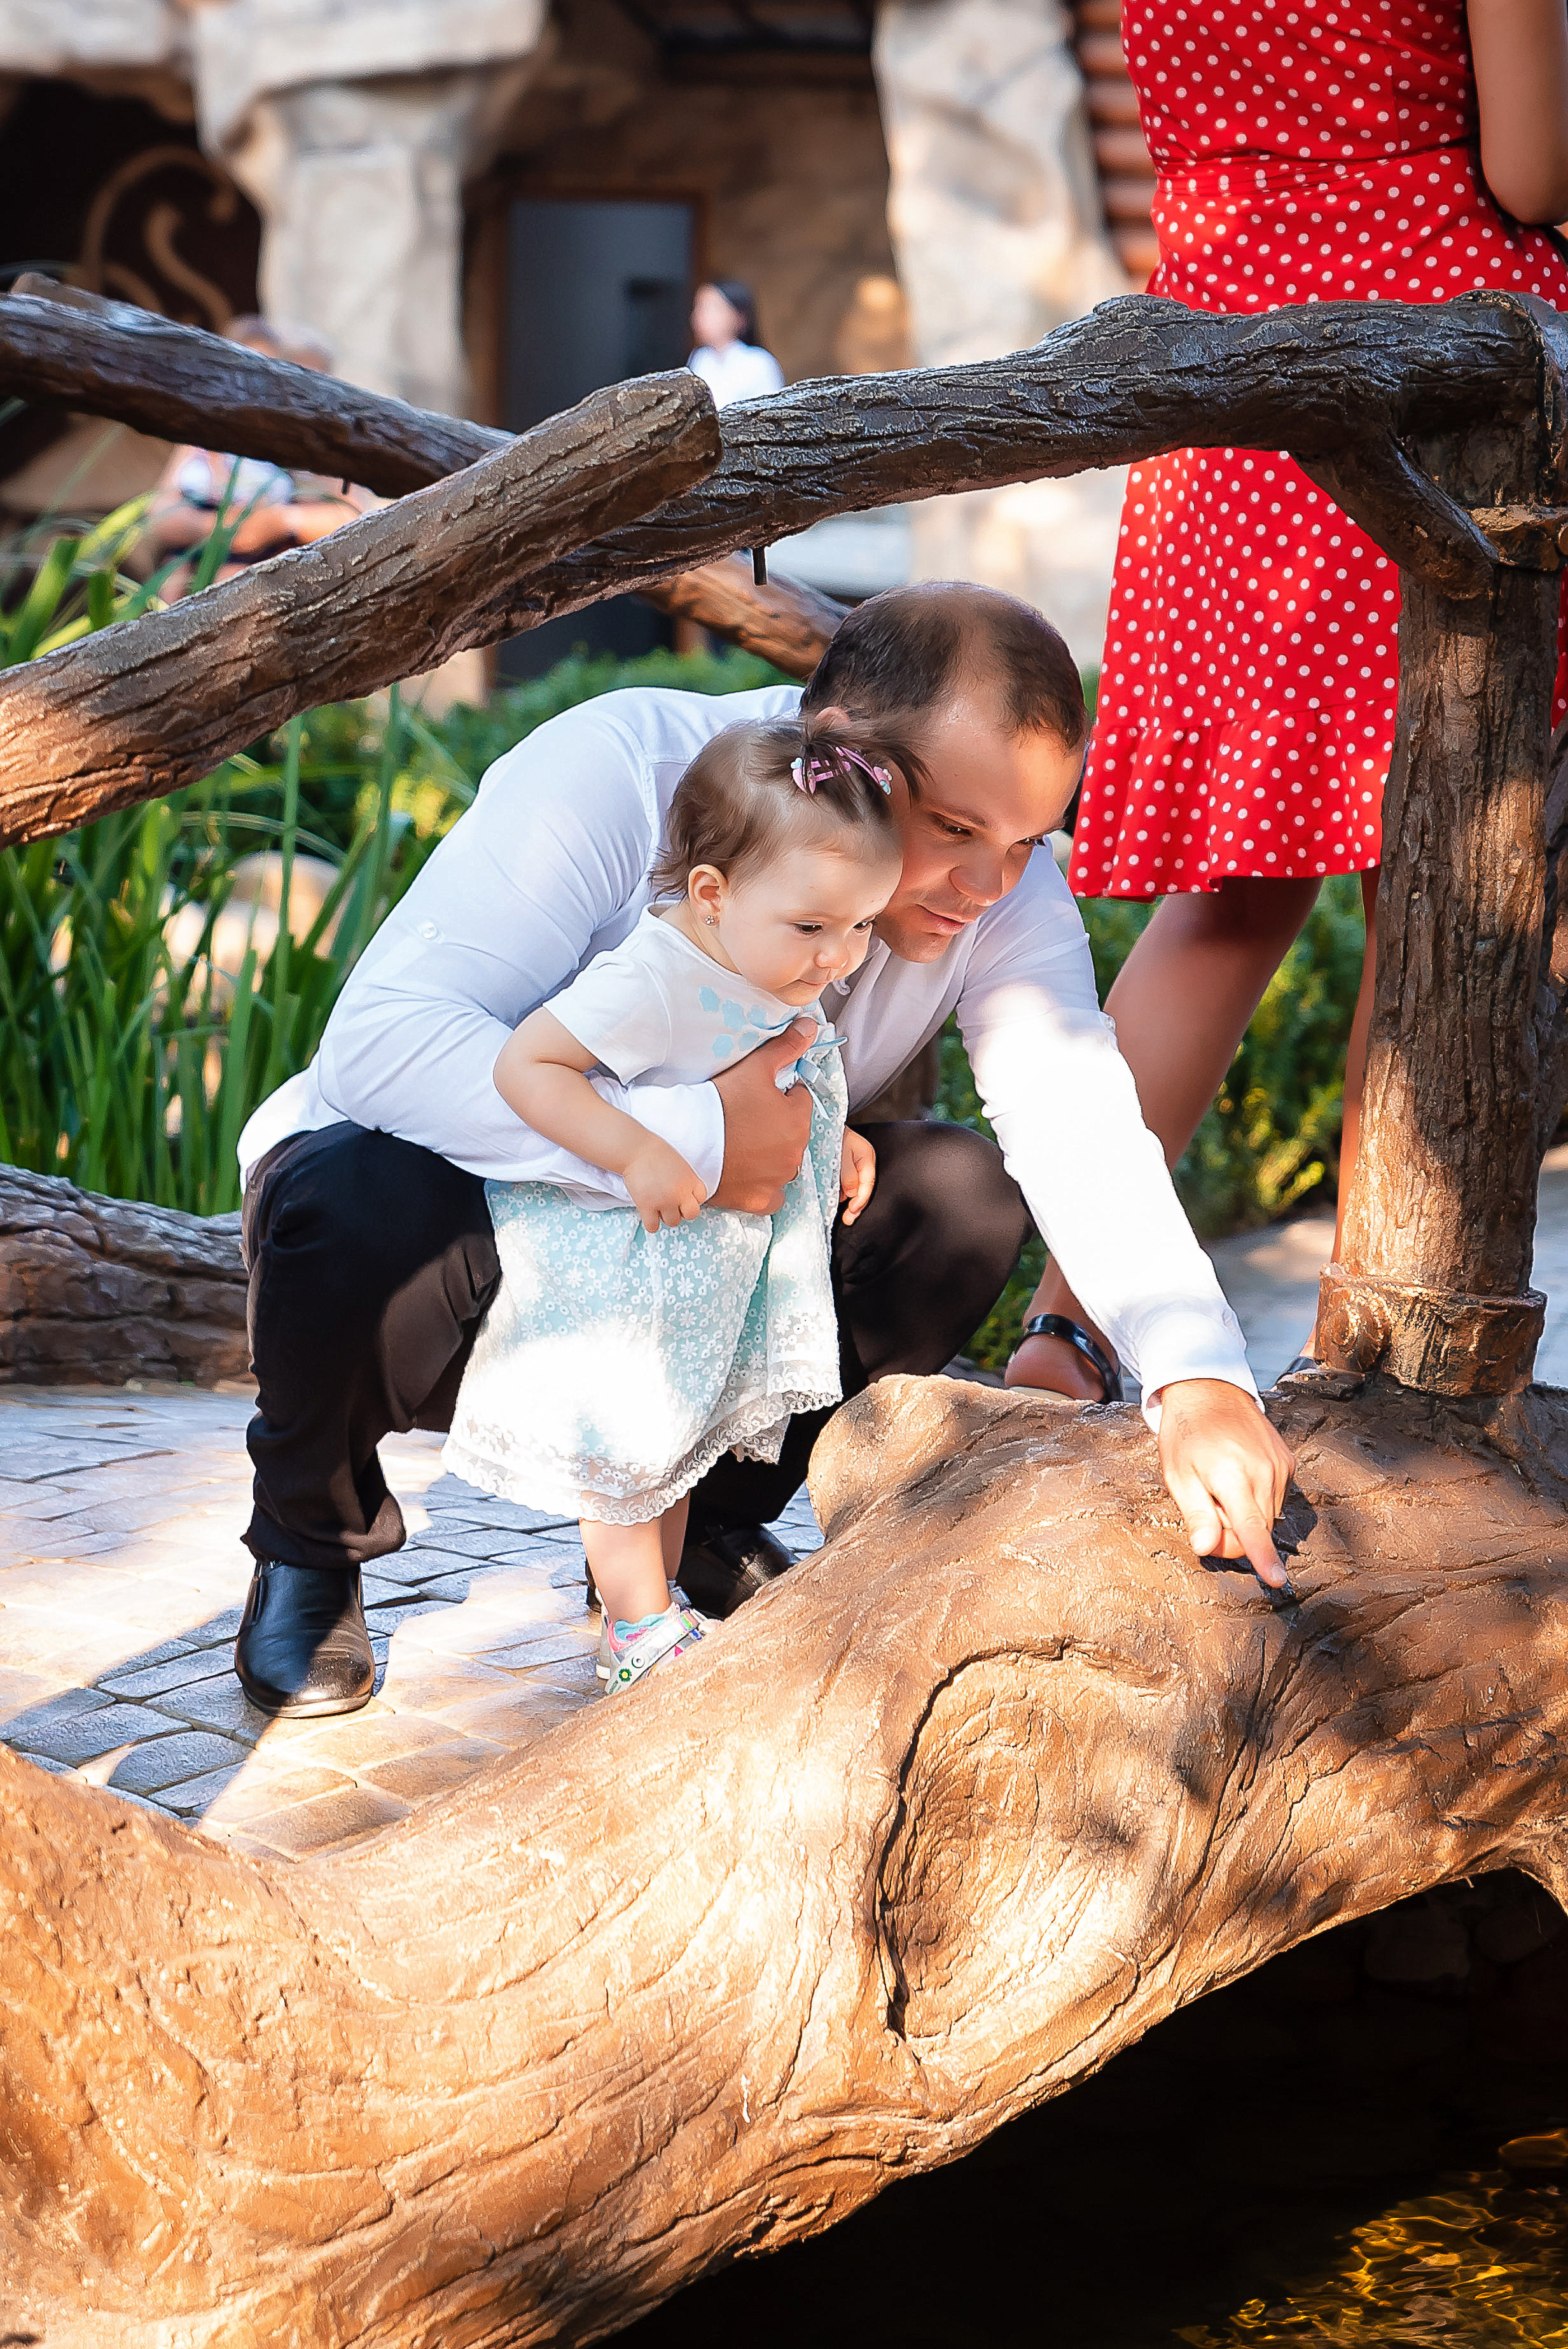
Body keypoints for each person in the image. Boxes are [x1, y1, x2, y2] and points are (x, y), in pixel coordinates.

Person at [232, 582, 1295, 1722]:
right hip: (469, 1243)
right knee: (351, 1193)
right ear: (841, 750)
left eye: (1031, 839)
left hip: (708, 1274)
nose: (992, 887)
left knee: (960, 1198)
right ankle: (310, 1540)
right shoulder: (618, 772)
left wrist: (1200, 1379)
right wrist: (701, 1143)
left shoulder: (1004, 889)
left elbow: (1071, 1107)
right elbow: (384, 1047)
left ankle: (711, 1526)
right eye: (956, 831)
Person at [1018, 0, 1568, 1401]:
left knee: (1225, 895)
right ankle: (1368, 1352)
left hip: (1227, 358)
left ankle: (1064, 1337)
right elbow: (1533, 174)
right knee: (1440, 882)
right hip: (1433, 363)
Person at [443, 716, 906, 1695]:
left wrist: (838, 1132)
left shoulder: (769, 955)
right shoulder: (653, 979)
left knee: (680, 1438)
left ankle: (652, 1602)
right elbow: (529, 1066)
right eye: (817, 927)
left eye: (865, 924)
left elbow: (789, 1066)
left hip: (710, 1253)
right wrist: (637, 1152)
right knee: (629, 1434)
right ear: (710, 893)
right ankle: (634, 1624)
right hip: (628, 1248)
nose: (841, 957)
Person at [139, 314, 375, 597]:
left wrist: (278, 522)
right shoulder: (202, 439)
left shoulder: (325, 447)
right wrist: (222, 529)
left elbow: (349, 517)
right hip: (195, 575)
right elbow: (160, 514)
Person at [687, 279, 785, 407]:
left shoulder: (760, 363)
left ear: (739, 317)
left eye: (712, 308)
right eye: (698, 308)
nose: (699, 317)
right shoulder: (700, 358)